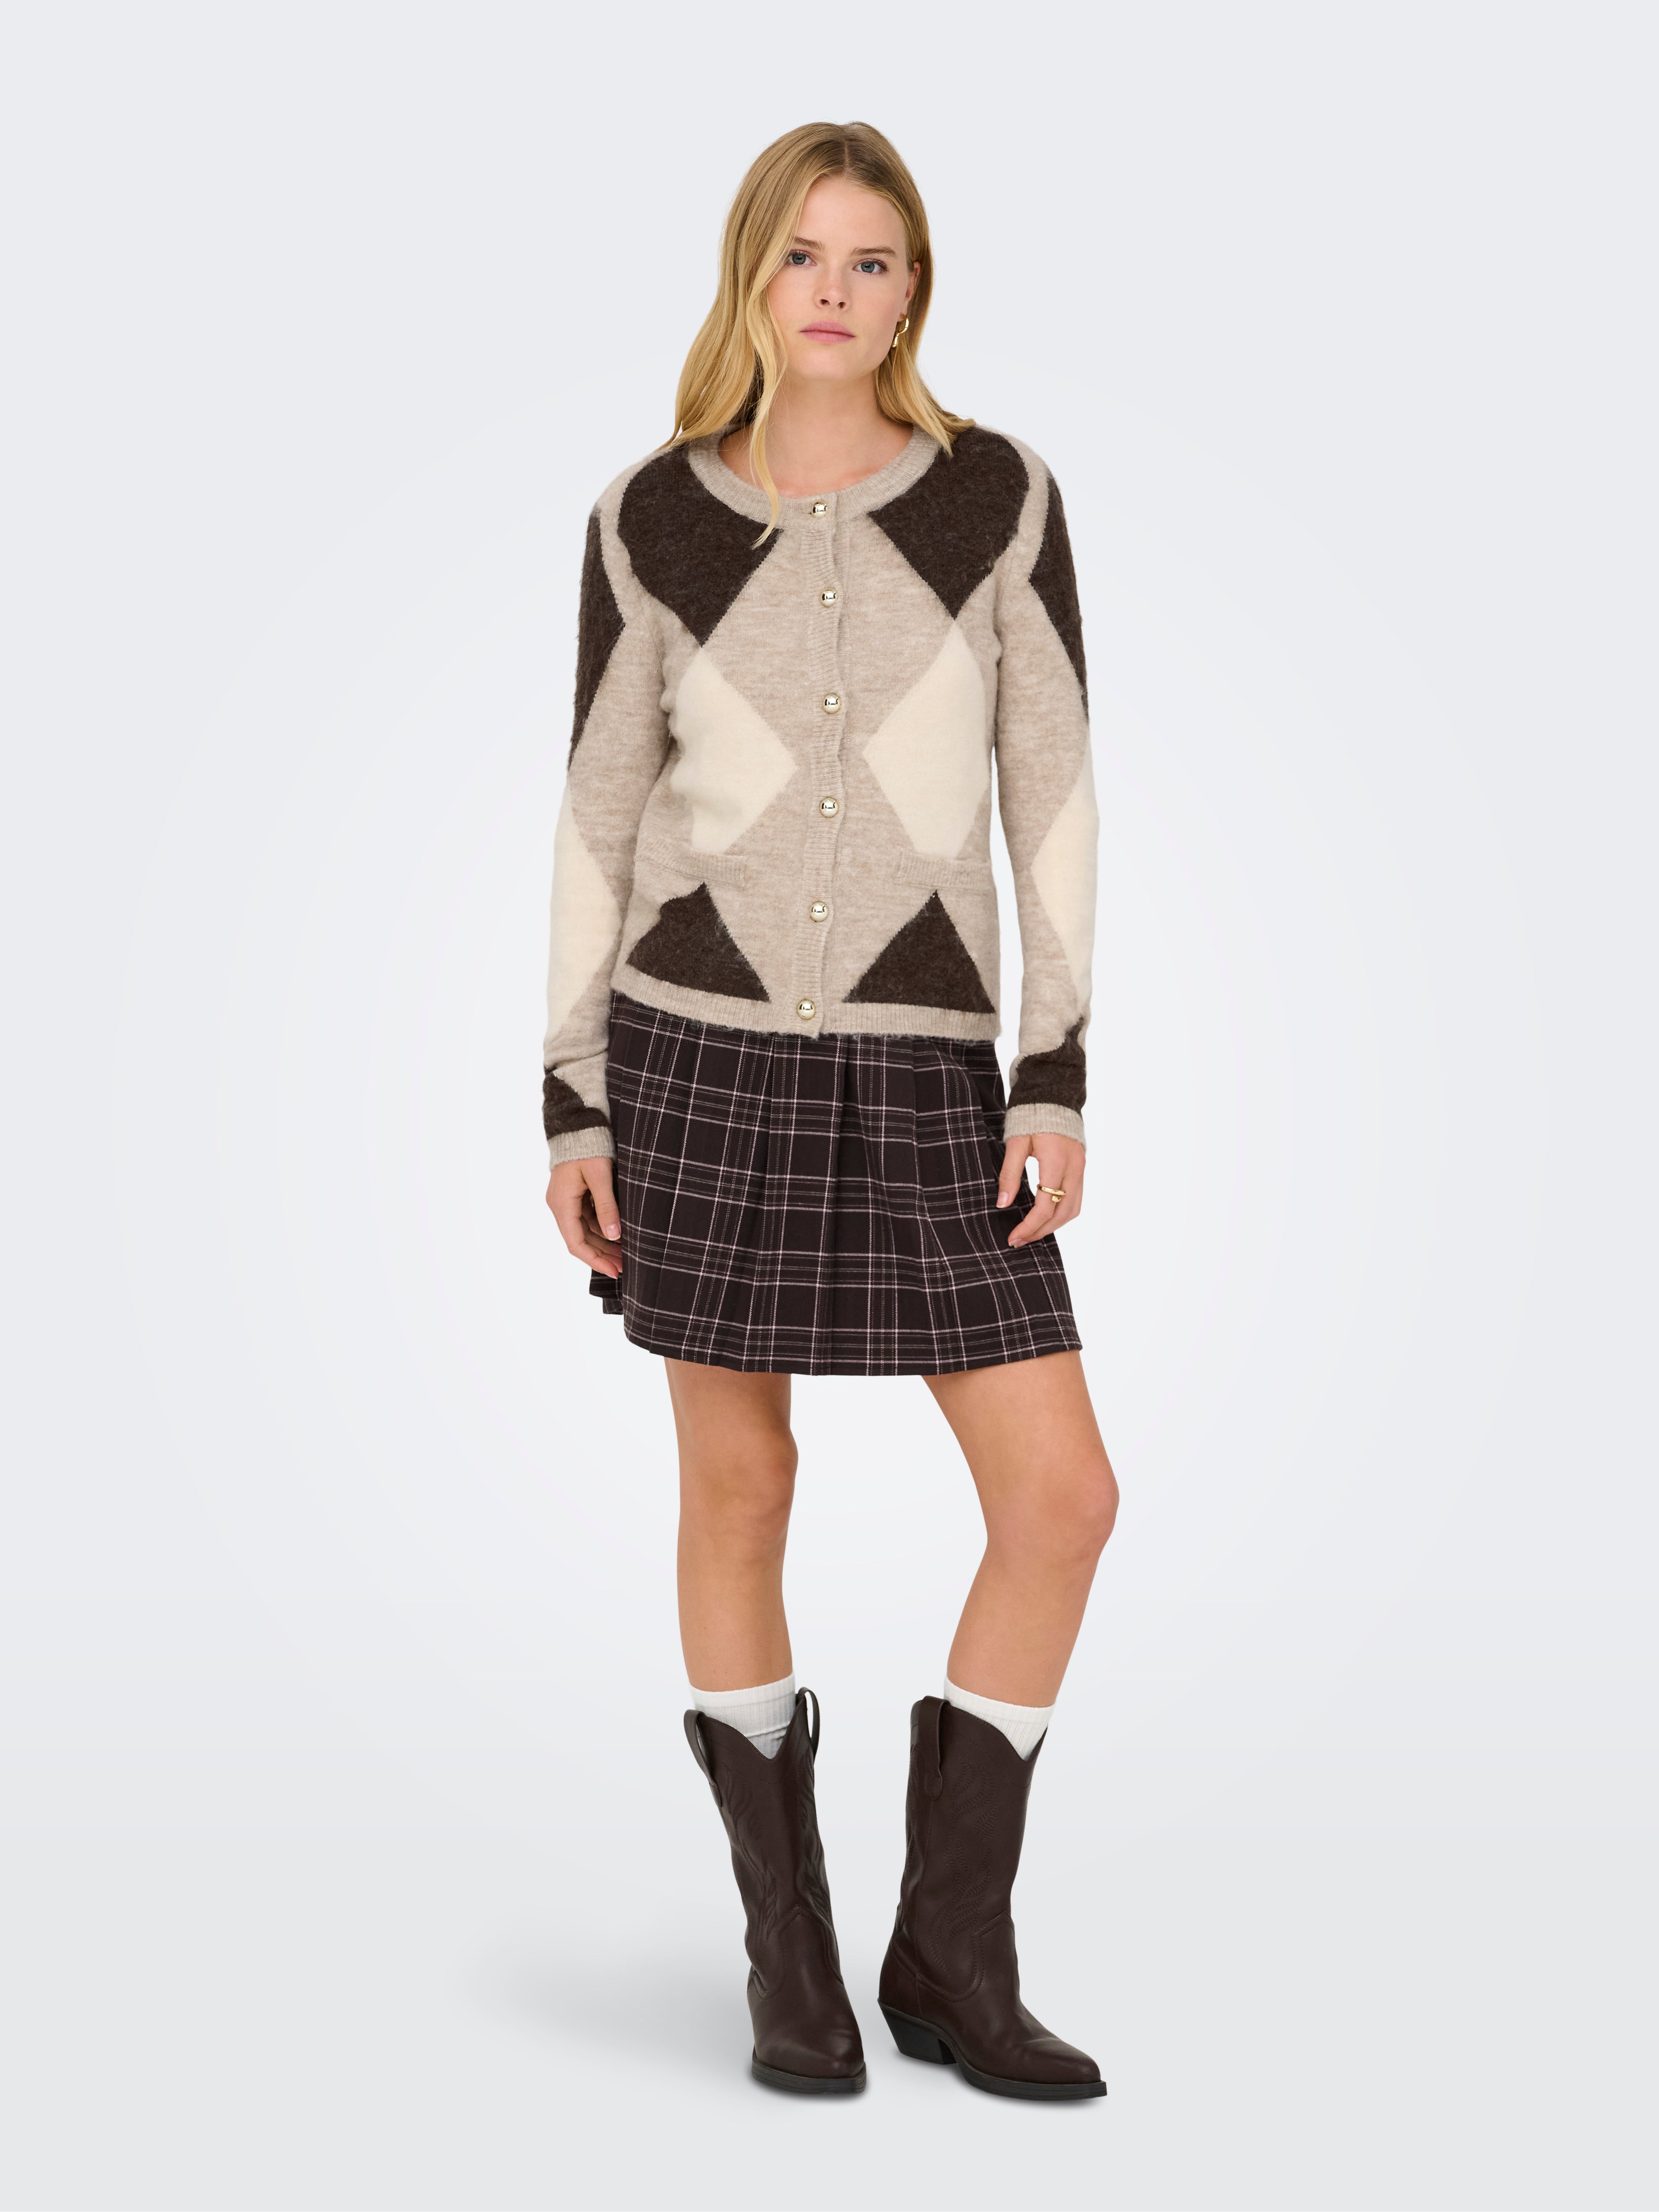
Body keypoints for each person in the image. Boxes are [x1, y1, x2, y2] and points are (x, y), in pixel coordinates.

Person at [542, 120, 1116, 2102]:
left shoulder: (996, 499)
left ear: (913, 289)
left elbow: (1051, 790)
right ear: (751, 276)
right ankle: (788, 1955)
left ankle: (951, 1950)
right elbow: (598, 812)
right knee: (738, 1489)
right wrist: (571, 1104)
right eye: (805, 255)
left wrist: (1051, 1068)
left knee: (1061, 1497)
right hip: (692, 1053)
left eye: (874, 260)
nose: (837, 292)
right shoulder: (649, 518)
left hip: (924, 1061)